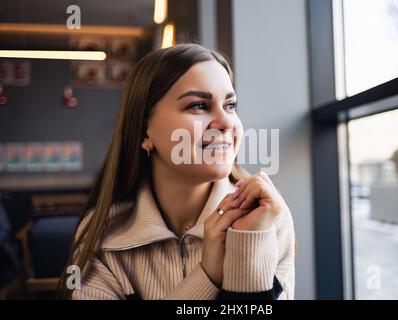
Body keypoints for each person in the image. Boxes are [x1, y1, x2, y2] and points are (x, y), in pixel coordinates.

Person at [59, 43, 295, 300]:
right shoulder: (100, 232)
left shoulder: (267, 219)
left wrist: (247, 249)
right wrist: (207, 277)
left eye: (230, 105)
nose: (227, 122)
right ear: (142, 132)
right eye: (199, 106)